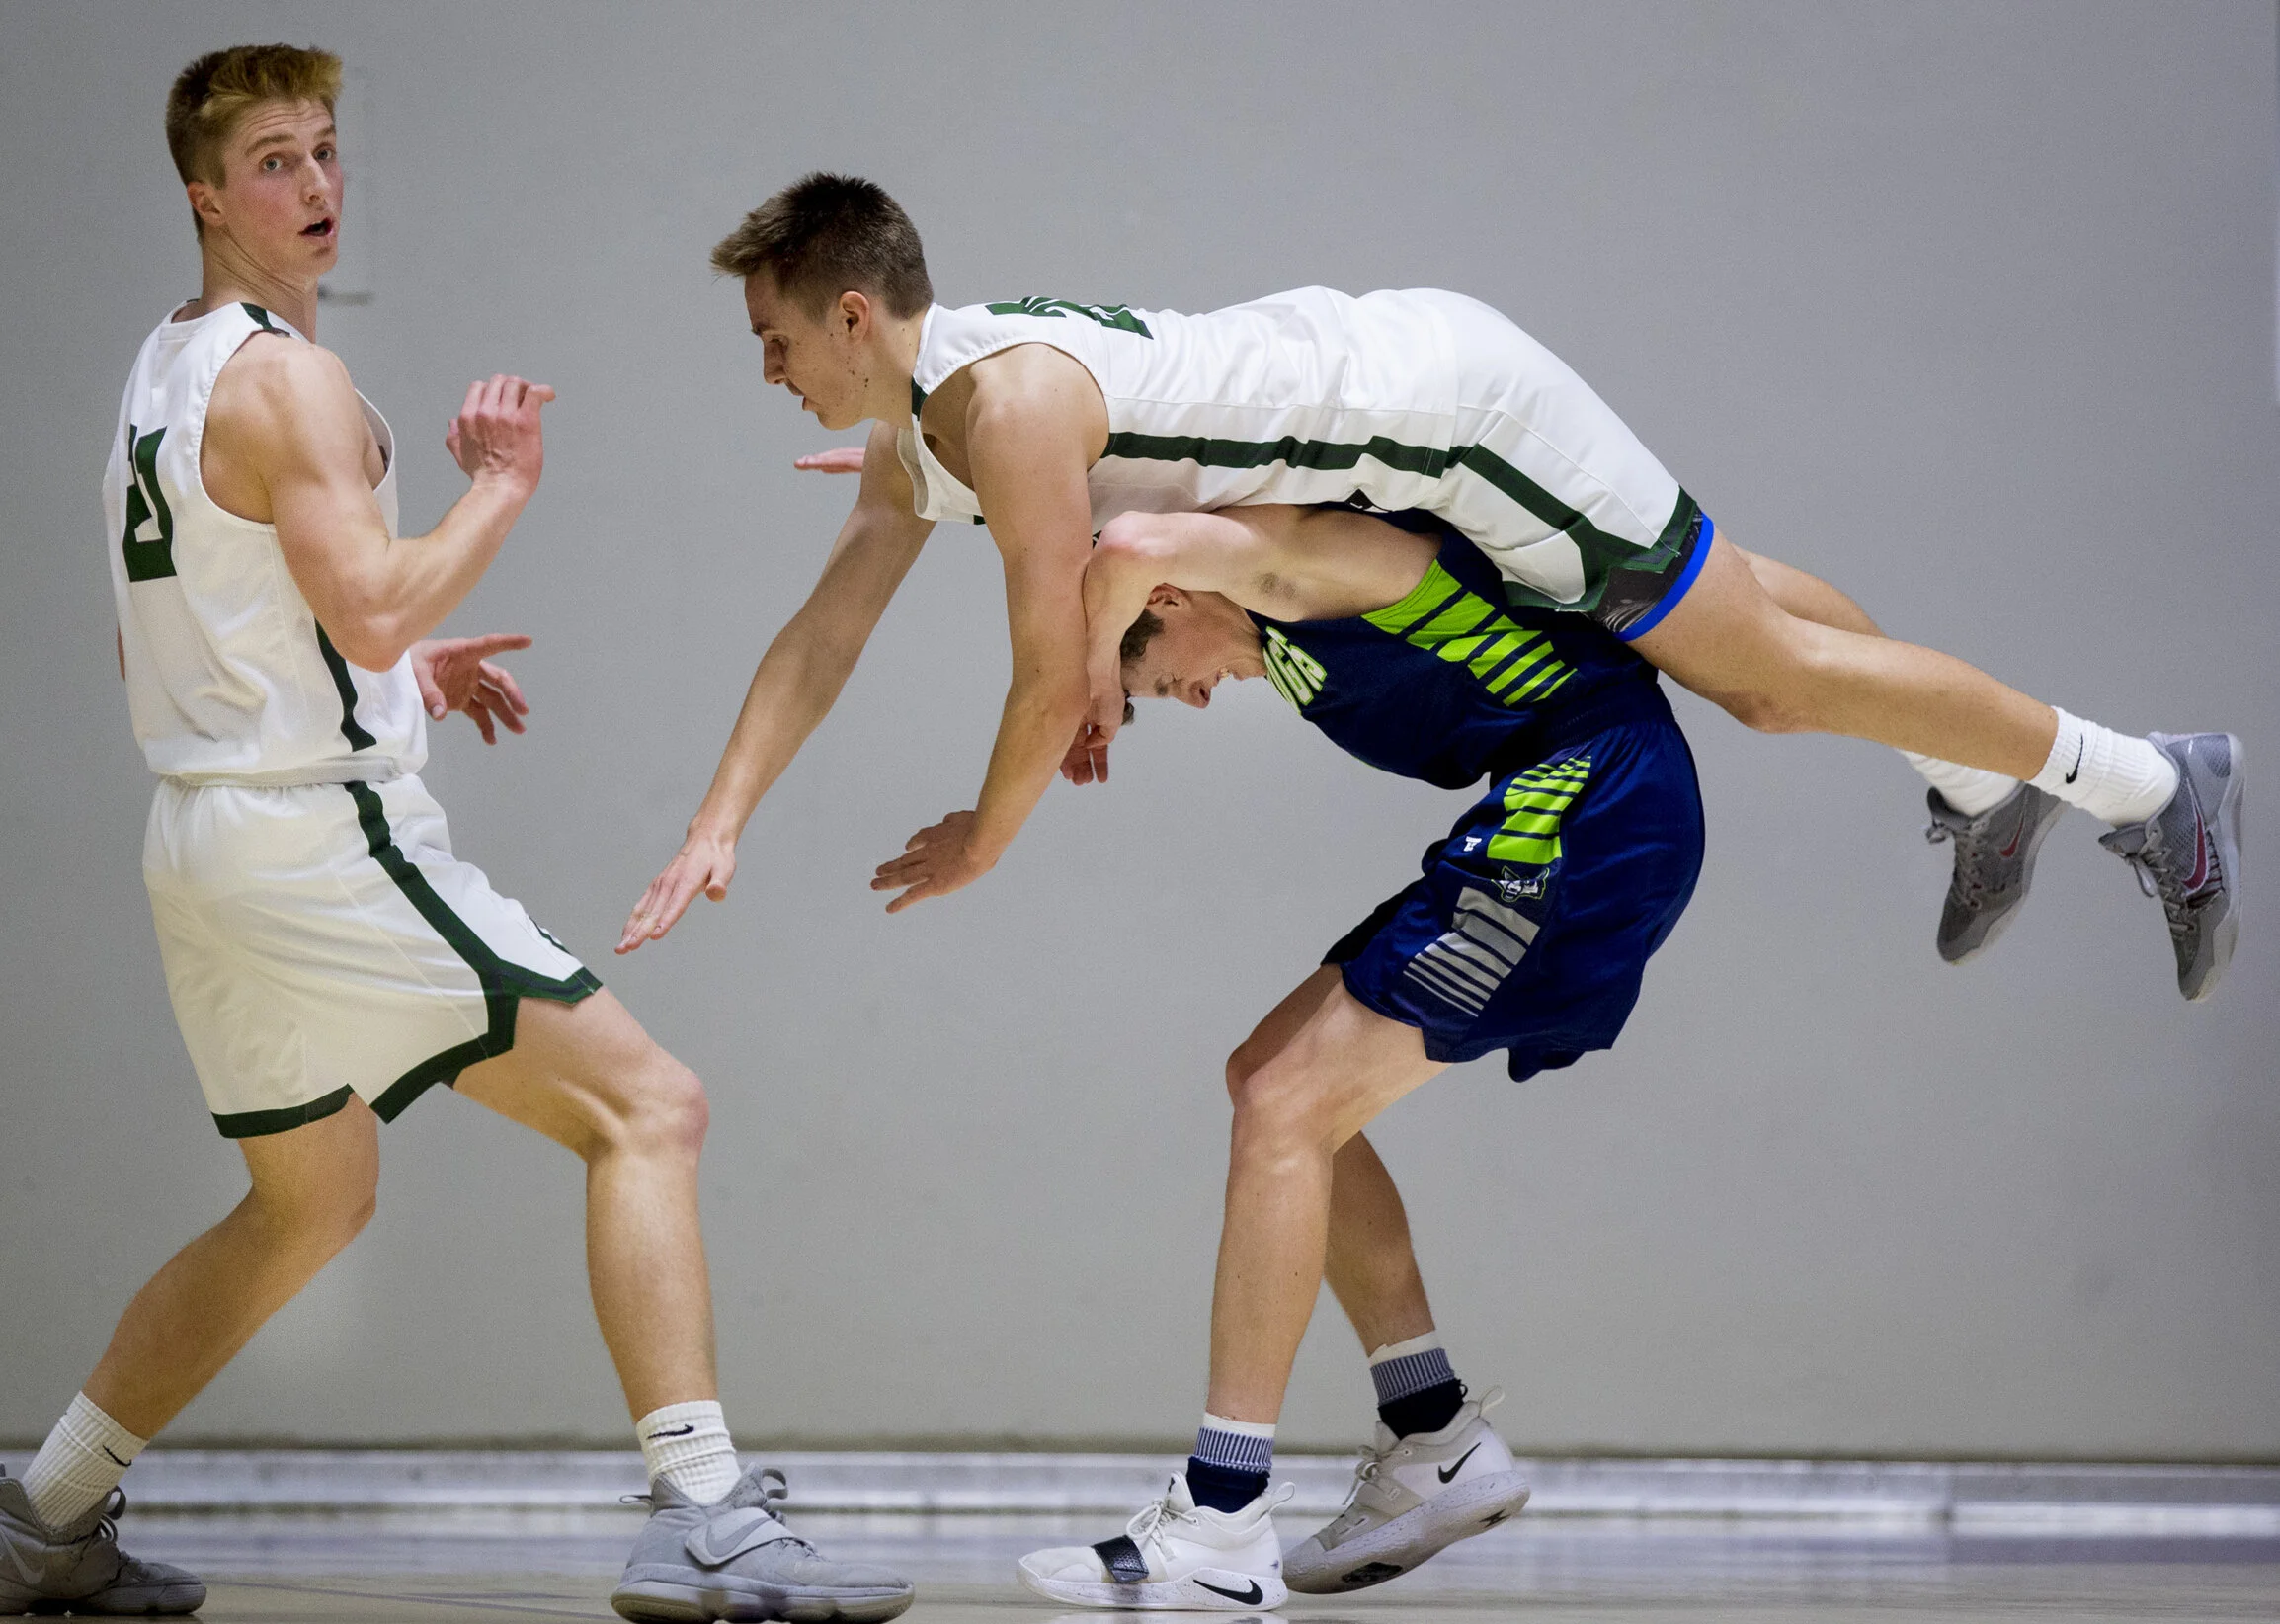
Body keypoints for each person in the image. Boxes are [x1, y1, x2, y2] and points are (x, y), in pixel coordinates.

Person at [0, 47, 912, 1624]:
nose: (316, 188)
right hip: (323, 840)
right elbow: (372, 593)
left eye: (324, 152)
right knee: (649, 1107)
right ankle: (707, 1513)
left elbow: (181, 639)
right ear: (204, 196)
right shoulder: (287, 380)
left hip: (204, 843)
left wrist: (384, 670)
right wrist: (500, 492)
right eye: (272, 163)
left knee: (307, 1204)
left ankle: (41, 1513)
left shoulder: (160, 373)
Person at [624, 174, 2240, 1005]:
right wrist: (719, 819)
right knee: (1729, 592)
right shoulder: (935, 419)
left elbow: (1049, 669)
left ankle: (2155, 780)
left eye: (772, 338)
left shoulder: (1010, 410)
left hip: (1461, 426)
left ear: (852, 317)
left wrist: (991, 831)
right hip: (1413, 402)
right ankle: (1973, 776)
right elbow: (821, 635)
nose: (762, 370)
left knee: (1749, 670)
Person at [1017, 500, 1703, 1607]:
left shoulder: (1304, 566)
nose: (1186, 699)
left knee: (1286, 1105)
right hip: (1557, 807)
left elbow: (1125, 516)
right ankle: (1431, 1429)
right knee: (1267, 1083)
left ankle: (1224, 1517)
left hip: (1591, 809)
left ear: (1164, 598)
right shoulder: (1277, 644)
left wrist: (938, 429)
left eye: (1153, 679)